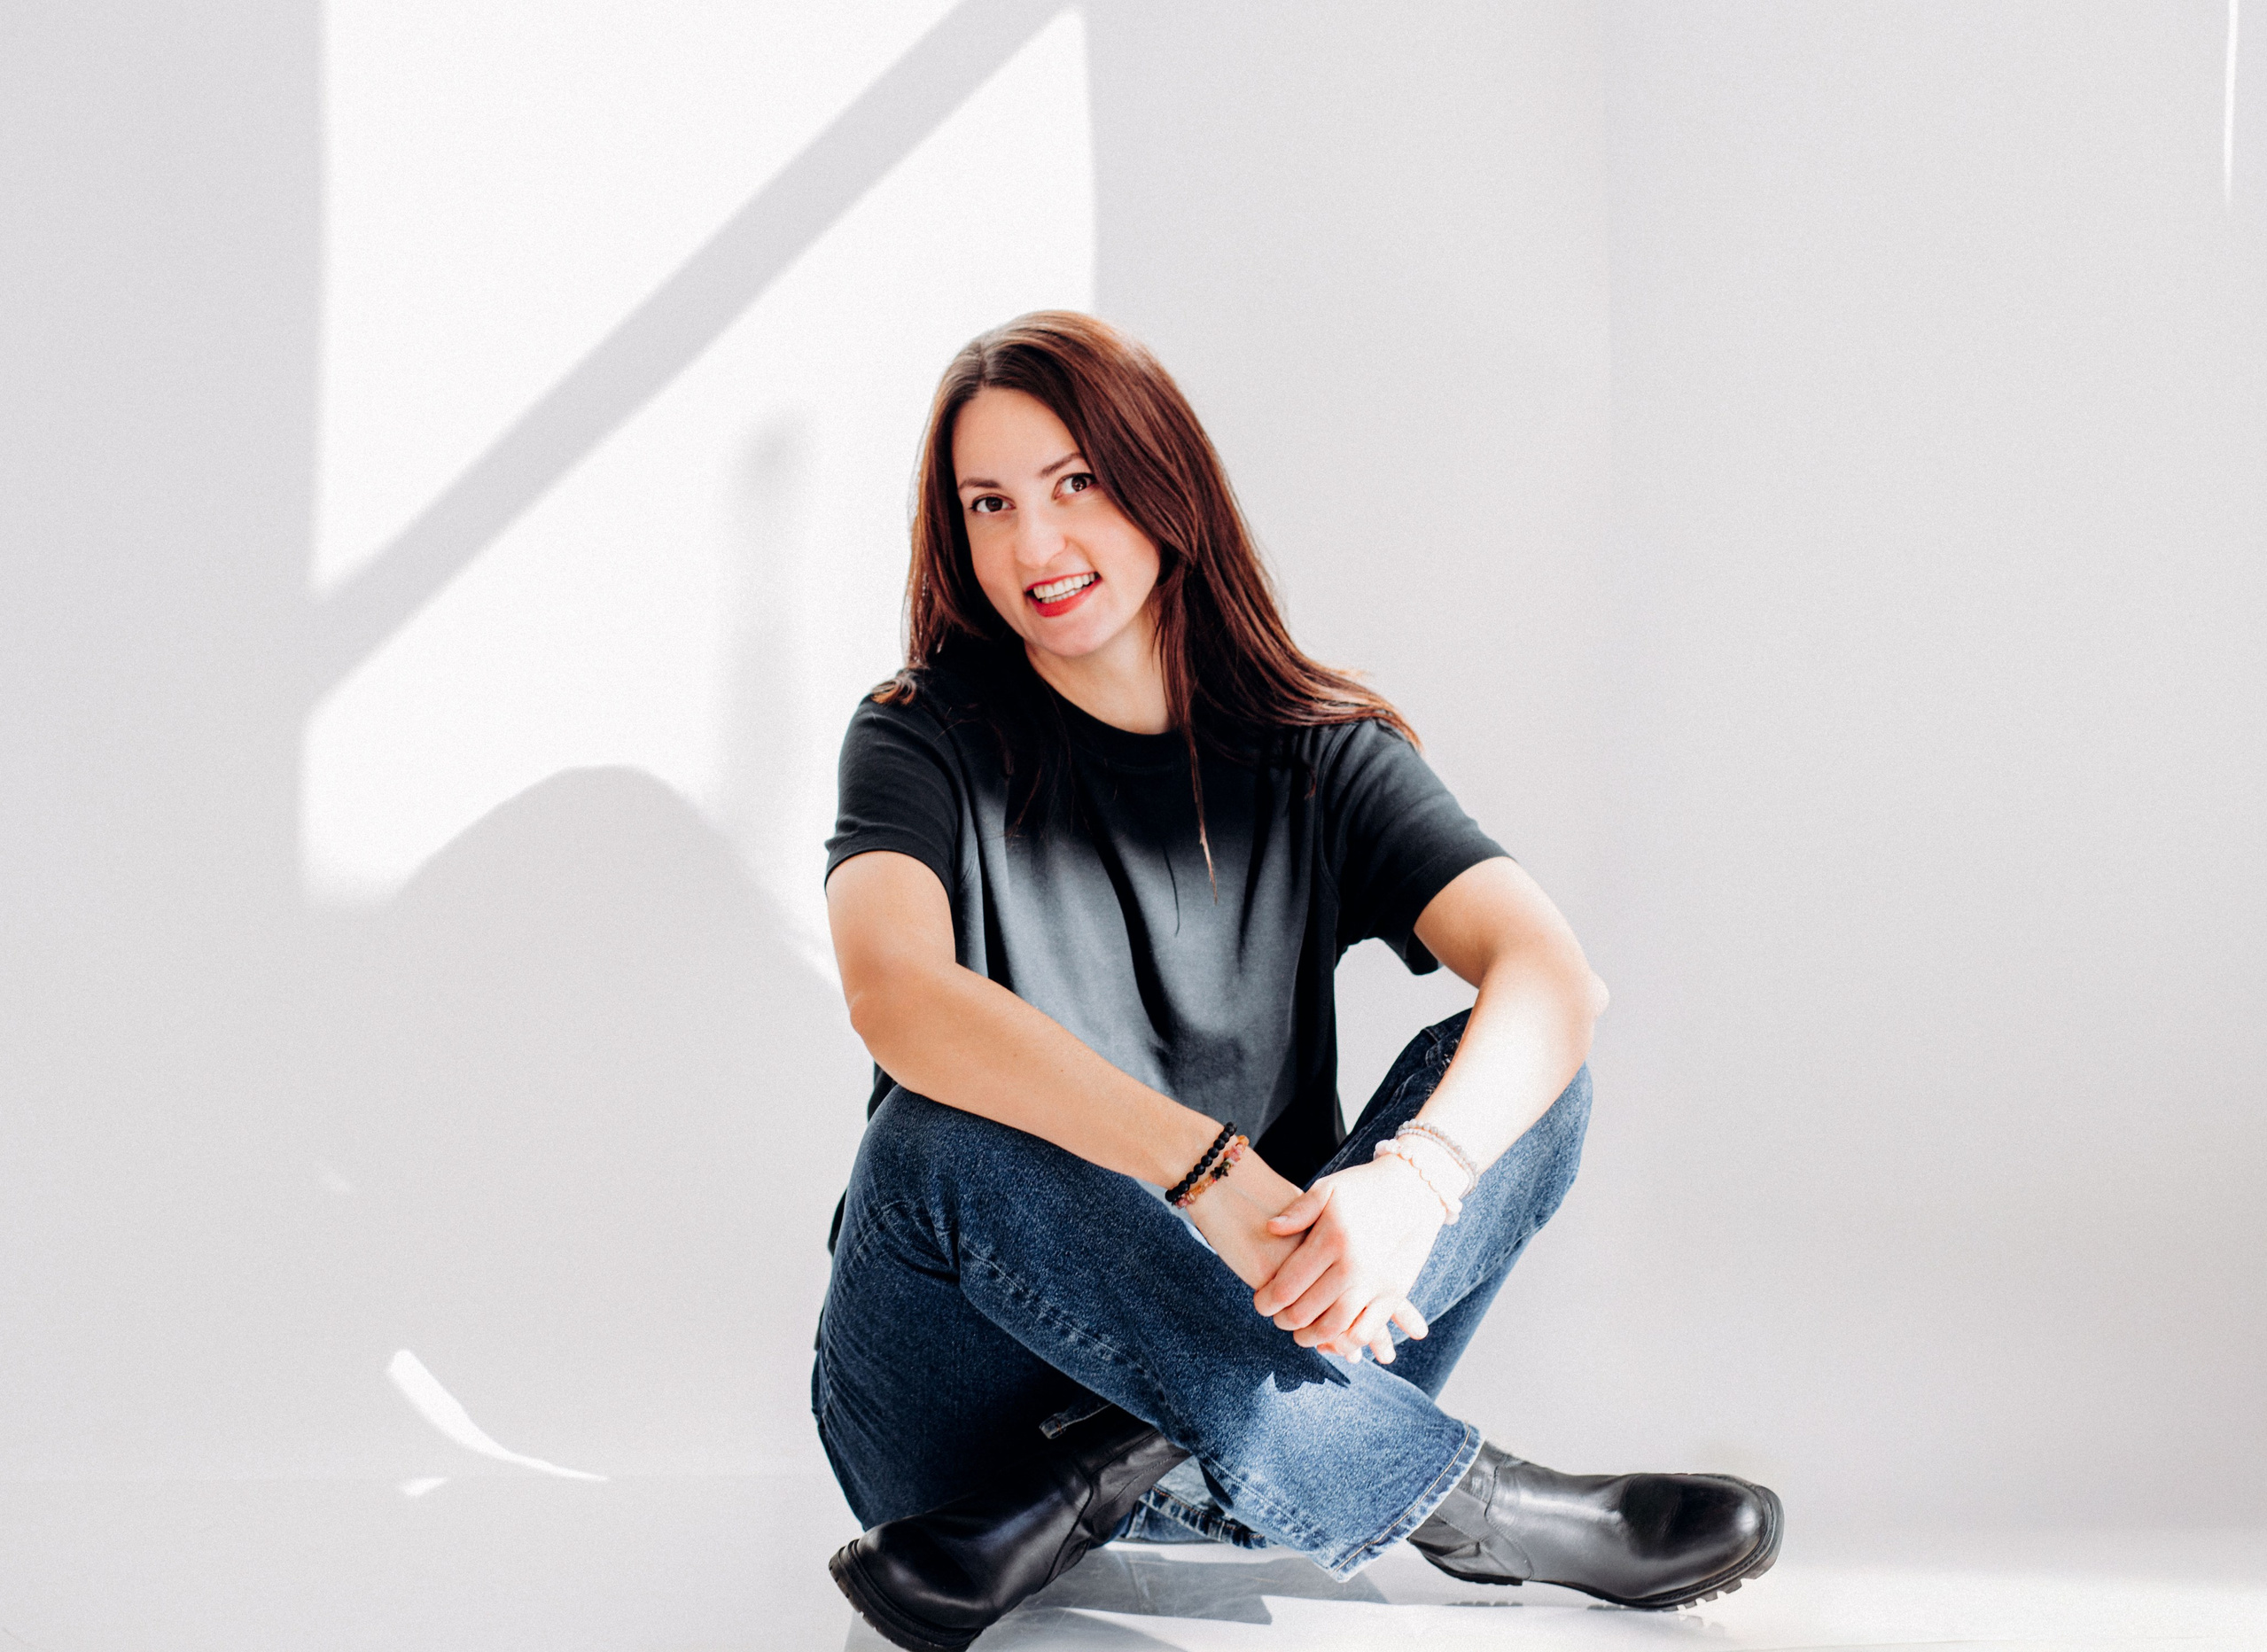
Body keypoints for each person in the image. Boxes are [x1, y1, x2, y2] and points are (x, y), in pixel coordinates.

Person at [812, 312, 1780, 1652]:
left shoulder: (1320, 752)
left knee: (1521, 1079)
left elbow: (1552, 977)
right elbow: (896, 997)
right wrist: (1206, 1176)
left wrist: (1413, 1183)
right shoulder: (918, 735)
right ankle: (1478, 1506)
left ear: (1164, 483)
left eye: (1074, 483)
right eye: (991, 504)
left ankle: (1103, 1470)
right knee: (934, 1137)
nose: (1035, 545)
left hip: (1225, 1427)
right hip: (953, 1444)